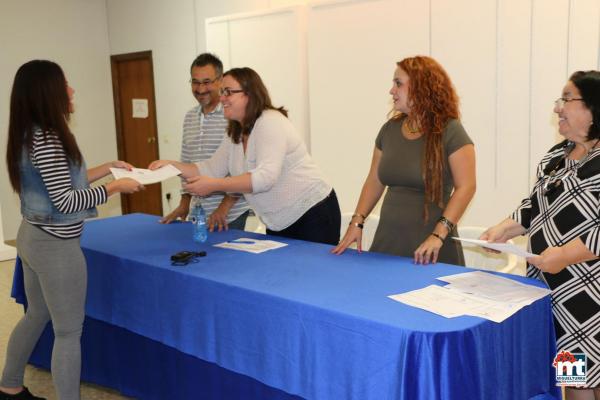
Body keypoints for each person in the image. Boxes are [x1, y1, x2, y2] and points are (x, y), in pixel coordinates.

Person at [1, 60, 143, 400]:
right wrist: (114, 188)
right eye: (66, 83)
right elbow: (66, 201)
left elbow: (62, 183)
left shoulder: (30, 132)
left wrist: (108, 168)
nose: (72, 90)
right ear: (49, 91)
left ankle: (8, 384)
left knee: (37, 313)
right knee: (68, 332)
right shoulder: (48, 138)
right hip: (55, 248)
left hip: (32, 237)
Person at [482, 70, 600, 398]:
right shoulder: (554, 157)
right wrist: (505, 227)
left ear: (593, 106)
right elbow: (535, 206)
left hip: (590, 301)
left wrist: (564, 255)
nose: (557, 108)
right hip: (554, 296)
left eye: (567, 99)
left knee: (592, 381)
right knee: (573, 379)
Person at [150, 67, 341, 245]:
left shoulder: (270, 122)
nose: (222, 97)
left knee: (312, 277)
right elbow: (210, 168)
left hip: (313, 212)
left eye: (228, 92)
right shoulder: (235, 132)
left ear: (249, 94)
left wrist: (214, 185)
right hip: (278, 220)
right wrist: (170, 166)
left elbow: (265, 178)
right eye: (222, 91)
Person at [332, 56, 476, 265]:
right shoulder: (389, 130)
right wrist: (357, 221)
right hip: (389, 242)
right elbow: (374, 180)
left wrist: (438, 235)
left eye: (398, 84)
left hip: (432, 246)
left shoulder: (450, 130)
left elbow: (467, 186)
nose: (392, 91)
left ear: (422, 87)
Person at [160, 53, 249, 231]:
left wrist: (222, 209)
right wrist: (184, 203)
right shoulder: (190, 117)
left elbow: (242, 170)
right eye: (195, 82)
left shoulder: (232, 116)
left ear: (220, 81)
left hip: (229, 214)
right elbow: (187, 162)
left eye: (207, 82)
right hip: (199, 211)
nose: (200, 89)